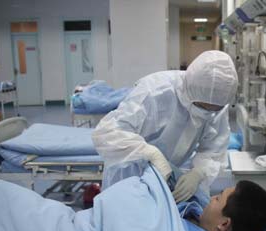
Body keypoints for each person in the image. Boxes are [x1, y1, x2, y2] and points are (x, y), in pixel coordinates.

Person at [92, 50, 238, 202]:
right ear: (190, 92)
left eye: (213, 109)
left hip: (167, 180)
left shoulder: (218, 103)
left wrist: (199, 172)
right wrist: (148, 152)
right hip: (128, 176)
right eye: (201, 106)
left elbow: (214, 149)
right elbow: (106, 133)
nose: (207, 113)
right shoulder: (154, 91)